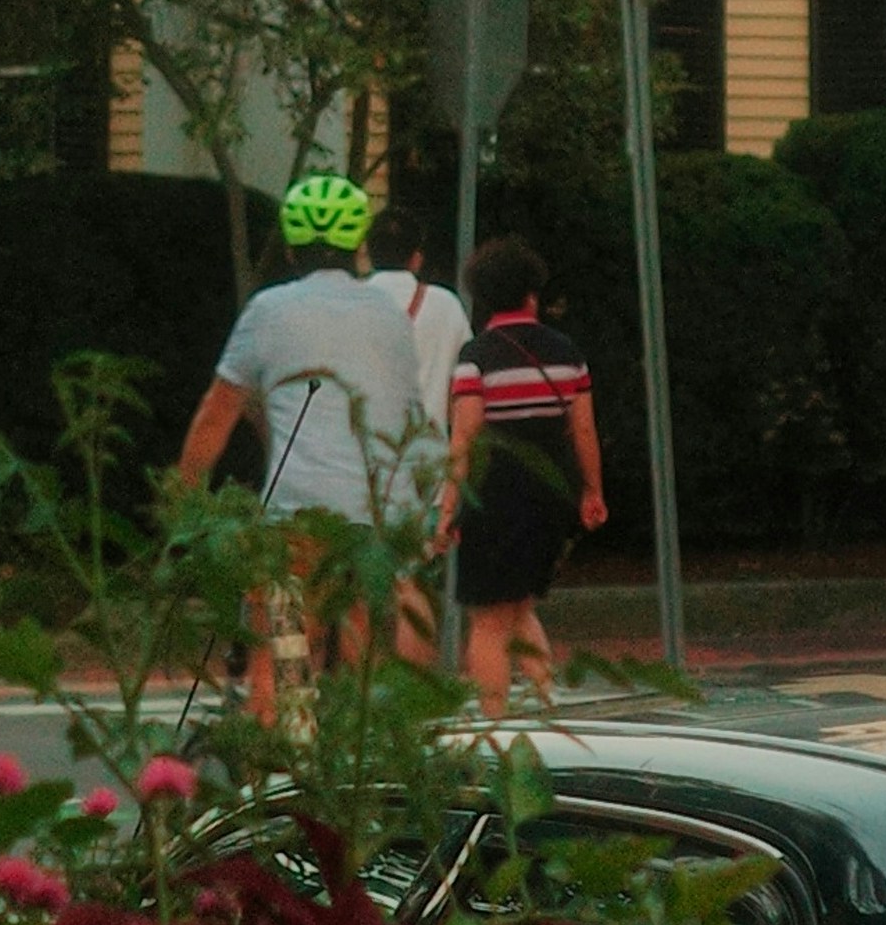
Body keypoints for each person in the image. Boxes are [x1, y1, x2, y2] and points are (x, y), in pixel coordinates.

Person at [177, 174, 424, 720]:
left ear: (290, 246)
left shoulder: (270, 310)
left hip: (298, 523)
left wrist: (185, 502)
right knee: (365, 661)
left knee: (281, 658)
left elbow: (218, 412)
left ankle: (274, 777)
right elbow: (409, 417)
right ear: (358, 246)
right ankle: (368, 772)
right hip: (377, 520)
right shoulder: (390, 316)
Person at [441, 235, 605, 716]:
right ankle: (543, 703)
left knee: (488, 620)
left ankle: (494, 723)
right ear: (531, 294)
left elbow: (465, 437)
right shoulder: (566, 352)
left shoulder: (477, 357)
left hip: (493, 498)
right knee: (520, 607)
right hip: (550, 495)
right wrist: (591, 491)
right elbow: (584, 428)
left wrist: (448, 507)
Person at [365, 206, 474, 443]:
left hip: (361, 459)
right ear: (416, 258)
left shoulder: (349, 304)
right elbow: (464, 387)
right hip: (428, 459)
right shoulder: (446, 305)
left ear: (367, 252)